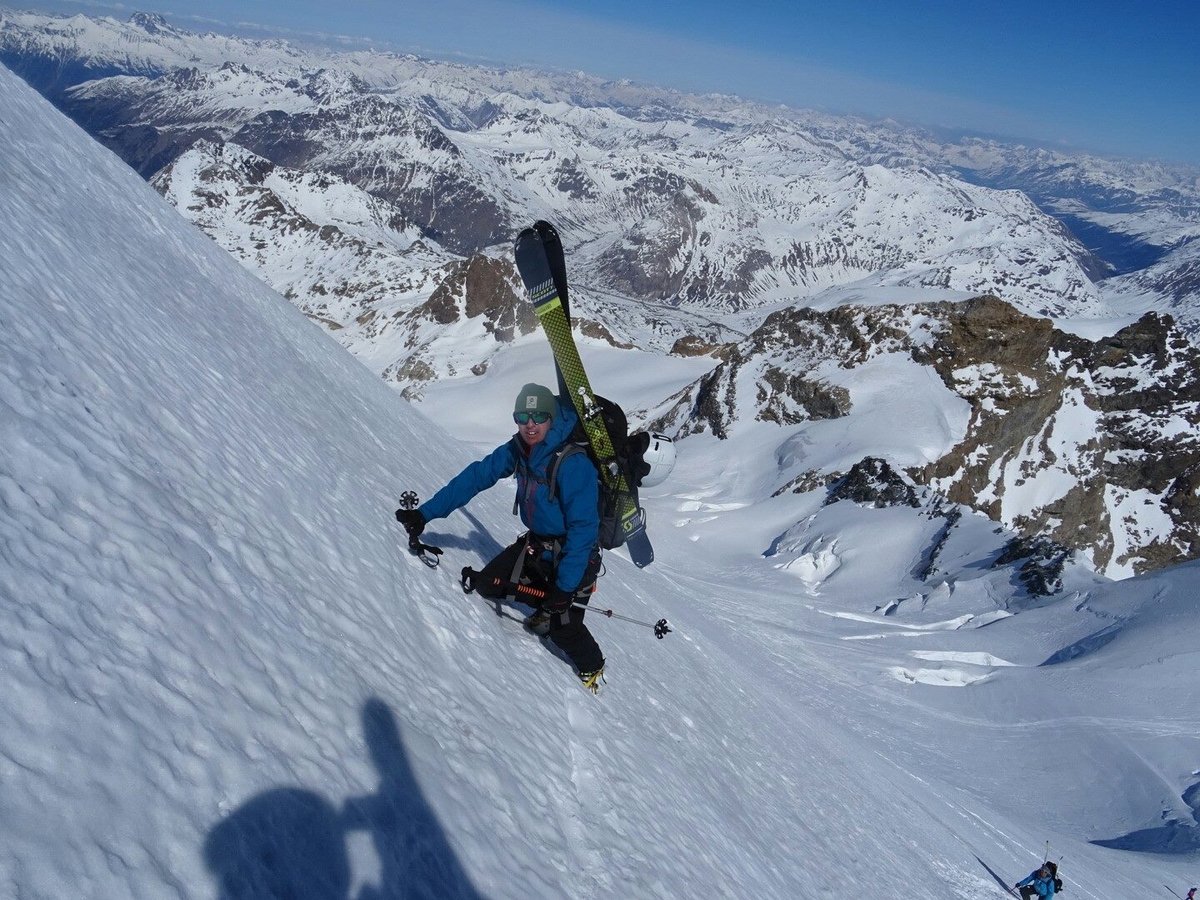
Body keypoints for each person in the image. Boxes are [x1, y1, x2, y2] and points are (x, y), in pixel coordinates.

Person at [396, 383, 607, 692]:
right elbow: (478, 476)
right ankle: (545, 603)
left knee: (563, 629)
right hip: (537, 546)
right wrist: (425, 514)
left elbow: (584, 530)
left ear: (552, 418)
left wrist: (564, 588)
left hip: (576, 556)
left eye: (538, 416)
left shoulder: (573, 464)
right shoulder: (519, 449)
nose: (530, 424)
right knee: (487, 583)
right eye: (522, 417)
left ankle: (594, 667)